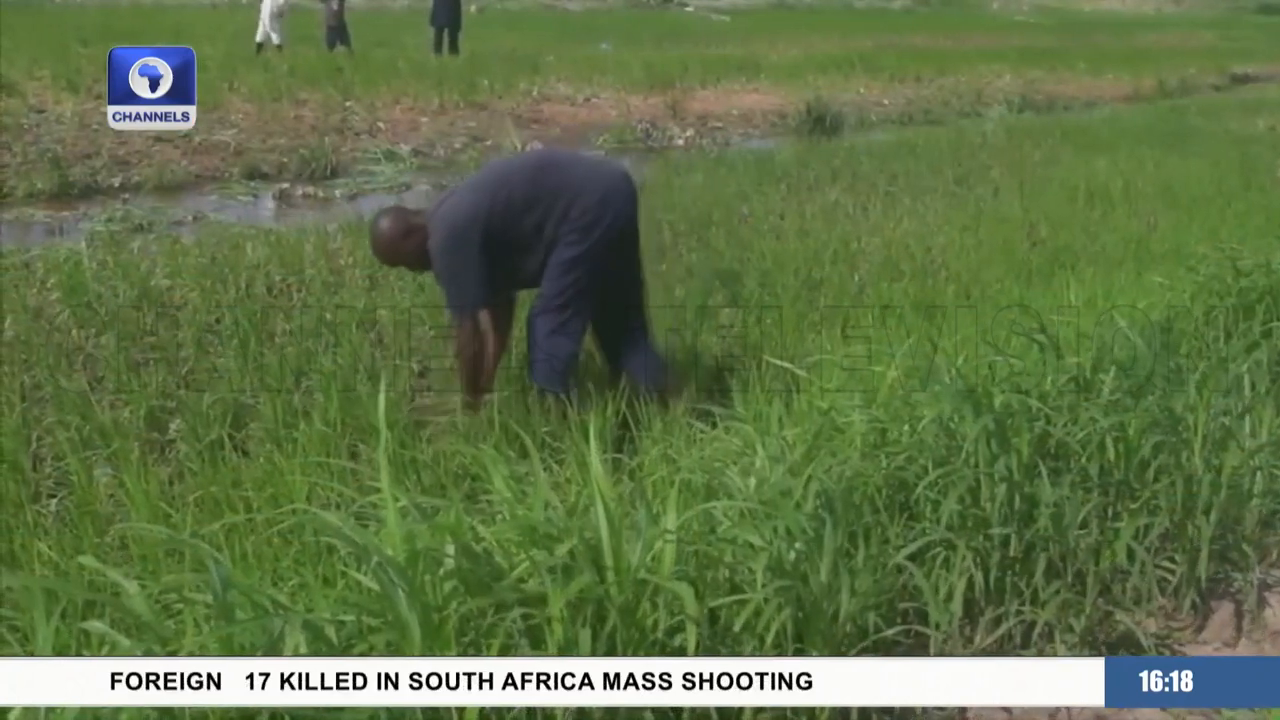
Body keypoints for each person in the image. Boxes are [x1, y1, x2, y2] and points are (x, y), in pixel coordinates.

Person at [368, 148, 670, 410]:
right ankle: (664, 407)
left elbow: (469, 331)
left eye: (402, 262)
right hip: (612, 189)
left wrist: (470, 401)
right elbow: (498, 310)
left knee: (549, 325)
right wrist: (485, 383)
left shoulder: (446, 238)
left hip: (586, 210)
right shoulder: (455, 215)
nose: (412, 271)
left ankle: (558, 433)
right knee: (620, 323)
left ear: (408, 236)